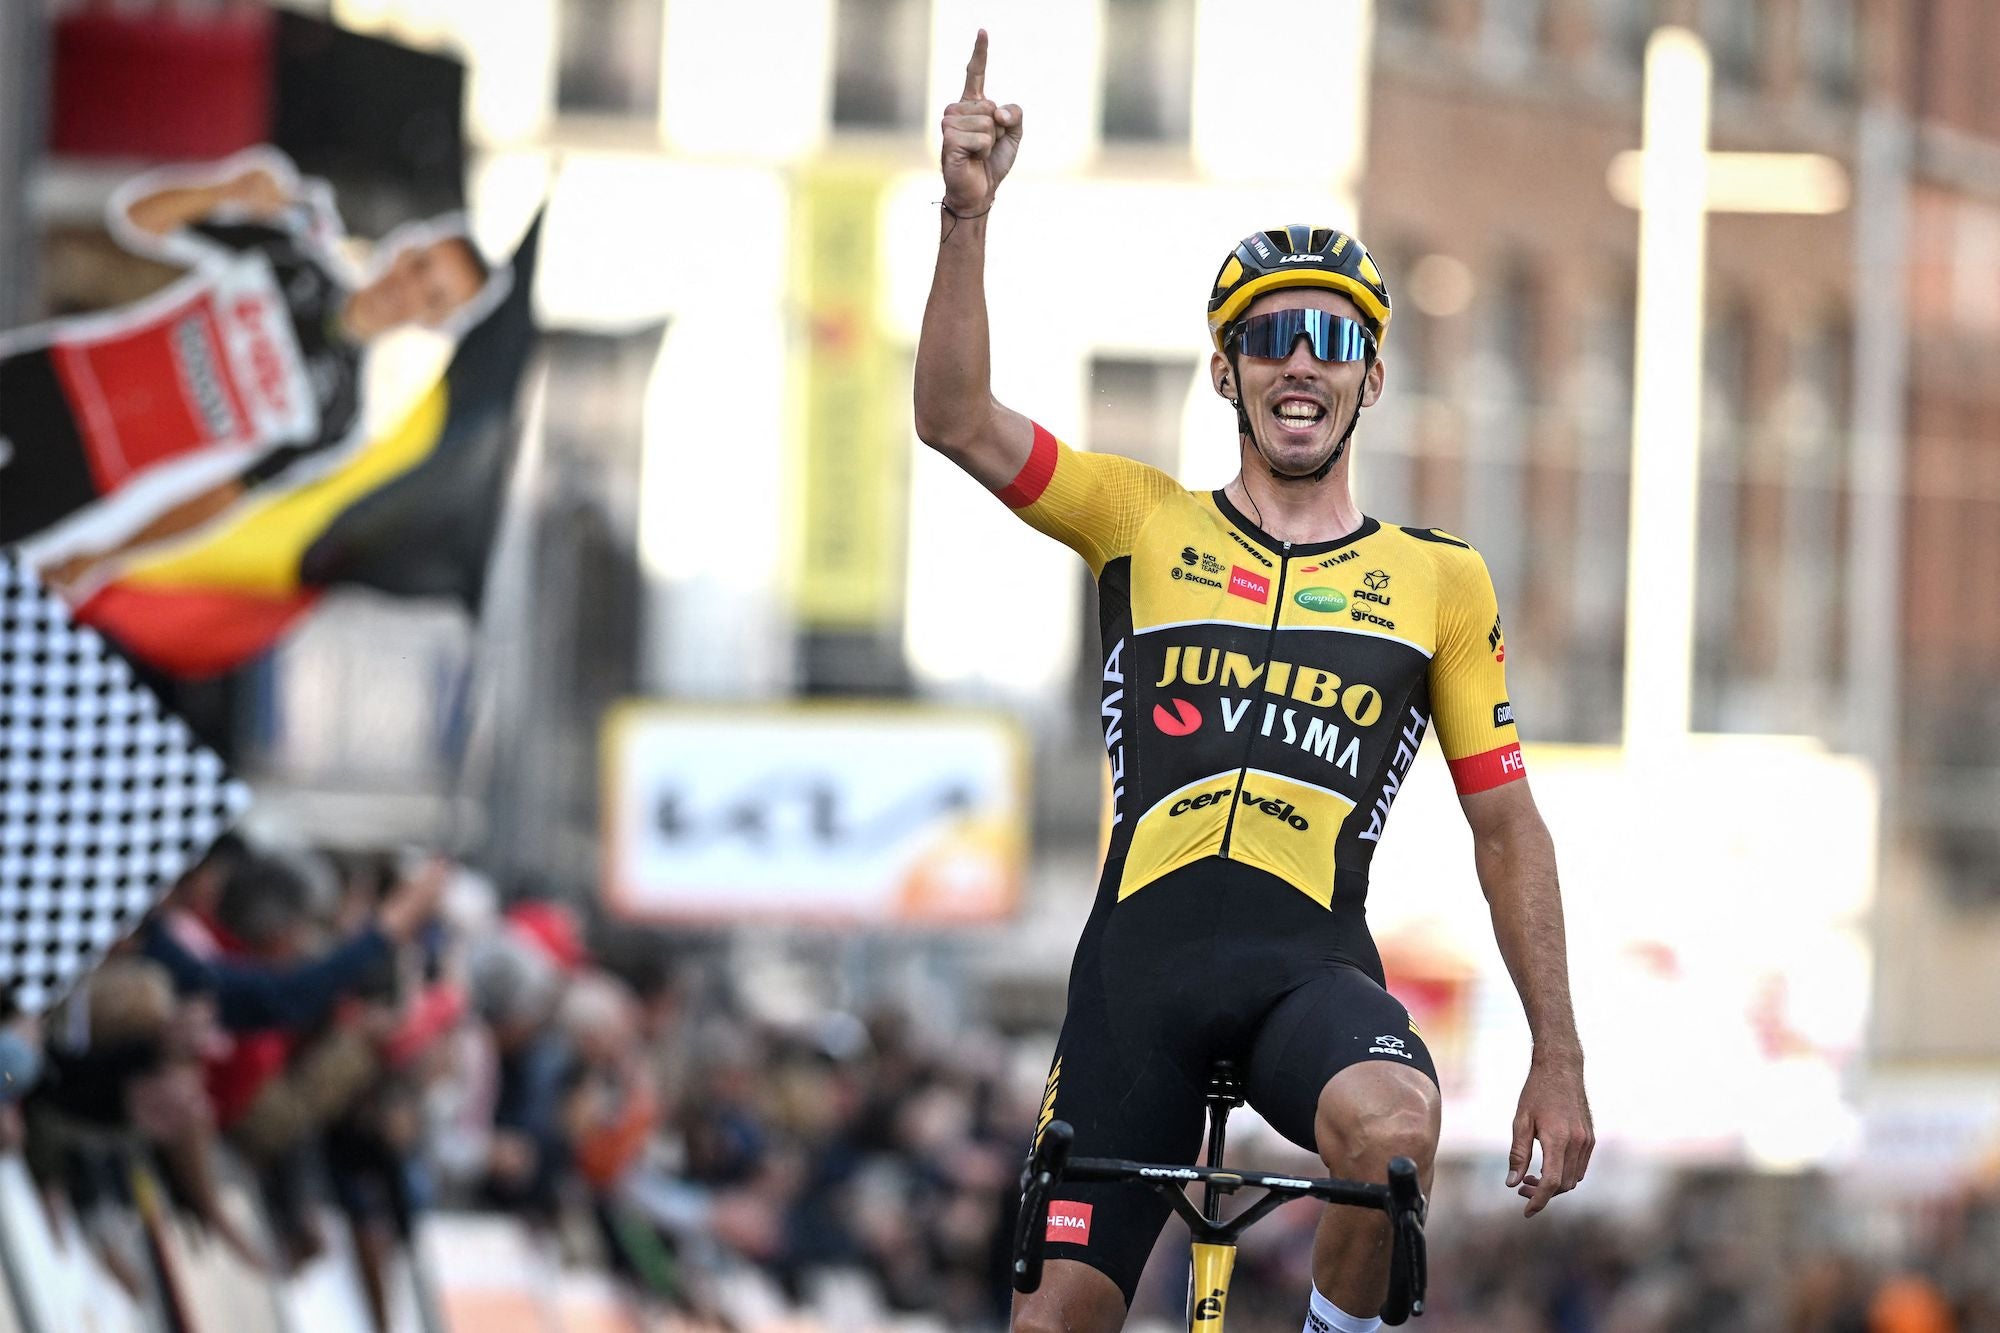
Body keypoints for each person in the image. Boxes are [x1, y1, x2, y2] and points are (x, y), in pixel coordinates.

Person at [912, 31, 1594, 1333]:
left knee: (1394, 1136)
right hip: (1136, 982)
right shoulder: (1138, 516)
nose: (1301, 359)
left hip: (1304, 968)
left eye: (1332, 337)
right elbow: (954, 416)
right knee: (1052, 1322)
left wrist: (1556, 1053)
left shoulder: (1439, 579)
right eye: (1268, 335)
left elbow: (1506, 825)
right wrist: (964, 212)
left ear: (1370, 378)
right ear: (1224, 371)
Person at [0, 146, 491, 558]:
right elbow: (137, 219)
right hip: (53, 378)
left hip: (89, 472)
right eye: (422, 267)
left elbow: (223, 498)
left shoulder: (338, 417)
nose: (410, 290)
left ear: (436, 322)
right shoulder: (292, 255)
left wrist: (108, 555)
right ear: (404, 250)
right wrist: (224, 190)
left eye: (435, 298)